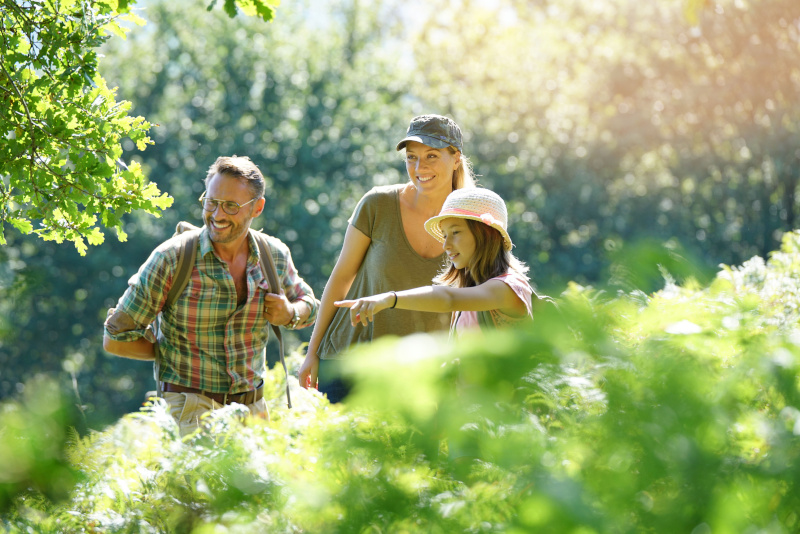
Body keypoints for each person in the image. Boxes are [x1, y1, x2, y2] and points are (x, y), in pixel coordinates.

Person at [103, 156, 319, 436]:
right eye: (211, 202)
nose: (217, 215)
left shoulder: (273, 255)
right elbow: (115, 339)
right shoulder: (171, 258)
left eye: (231, 206)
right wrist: (173, 354)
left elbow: (310, 306)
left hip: (253, 414)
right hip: (188, 410)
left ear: (257, 208)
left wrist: (290, 313)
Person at [297, 114, 476, 403]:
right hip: (348, 362)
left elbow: (481, 297)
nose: (420, 167)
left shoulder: (474, 219)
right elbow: (341, 278)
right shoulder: (377, 204)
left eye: (432, 155)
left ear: (456, 158)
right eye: (412, 157)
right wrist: (312, 352)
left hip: (420, 378)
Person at [334, 187, 536, 336]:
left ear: (487, 235)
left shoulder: (508, 289)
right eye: (444, 235)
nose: (446, 245)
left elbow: (448, 298)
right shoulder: (468, 292)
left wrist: (388, 299)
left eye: (455, 232)